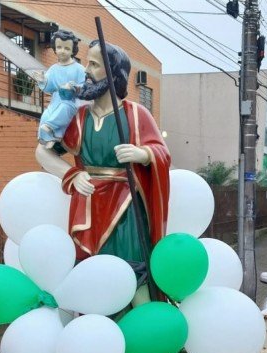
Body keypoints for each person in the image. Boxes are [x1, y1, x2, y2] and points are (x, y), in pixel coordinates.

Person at [35, 40, 170, 264]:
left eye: (94, 65)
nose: (86, 70)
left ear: (113, 73)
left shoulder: (136, 114)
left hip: (126, 206)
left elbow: (163, 153)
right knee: (90, 271)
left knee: (131, 269)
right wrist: (73, 174)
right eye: (87, 63)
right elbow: (43, 151)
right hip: (88, 204)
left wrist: (143, 154)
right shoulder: (78, 117)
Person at [36, 29, 85, 148]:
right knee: (46, 115)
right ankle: (49, 138)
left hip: (70, 101)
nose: (62, 51)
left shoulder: (79, 68)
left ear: (73, 50)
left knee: (64, 108)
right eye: (59, 47)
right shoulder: (53, 68)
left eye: (67, 48)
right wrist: (42, 80)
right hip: (56, 100)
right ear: (55, 48)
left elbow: (84, 86)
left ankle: (51, 128)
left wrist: (73, 87)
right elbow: (49, 87)